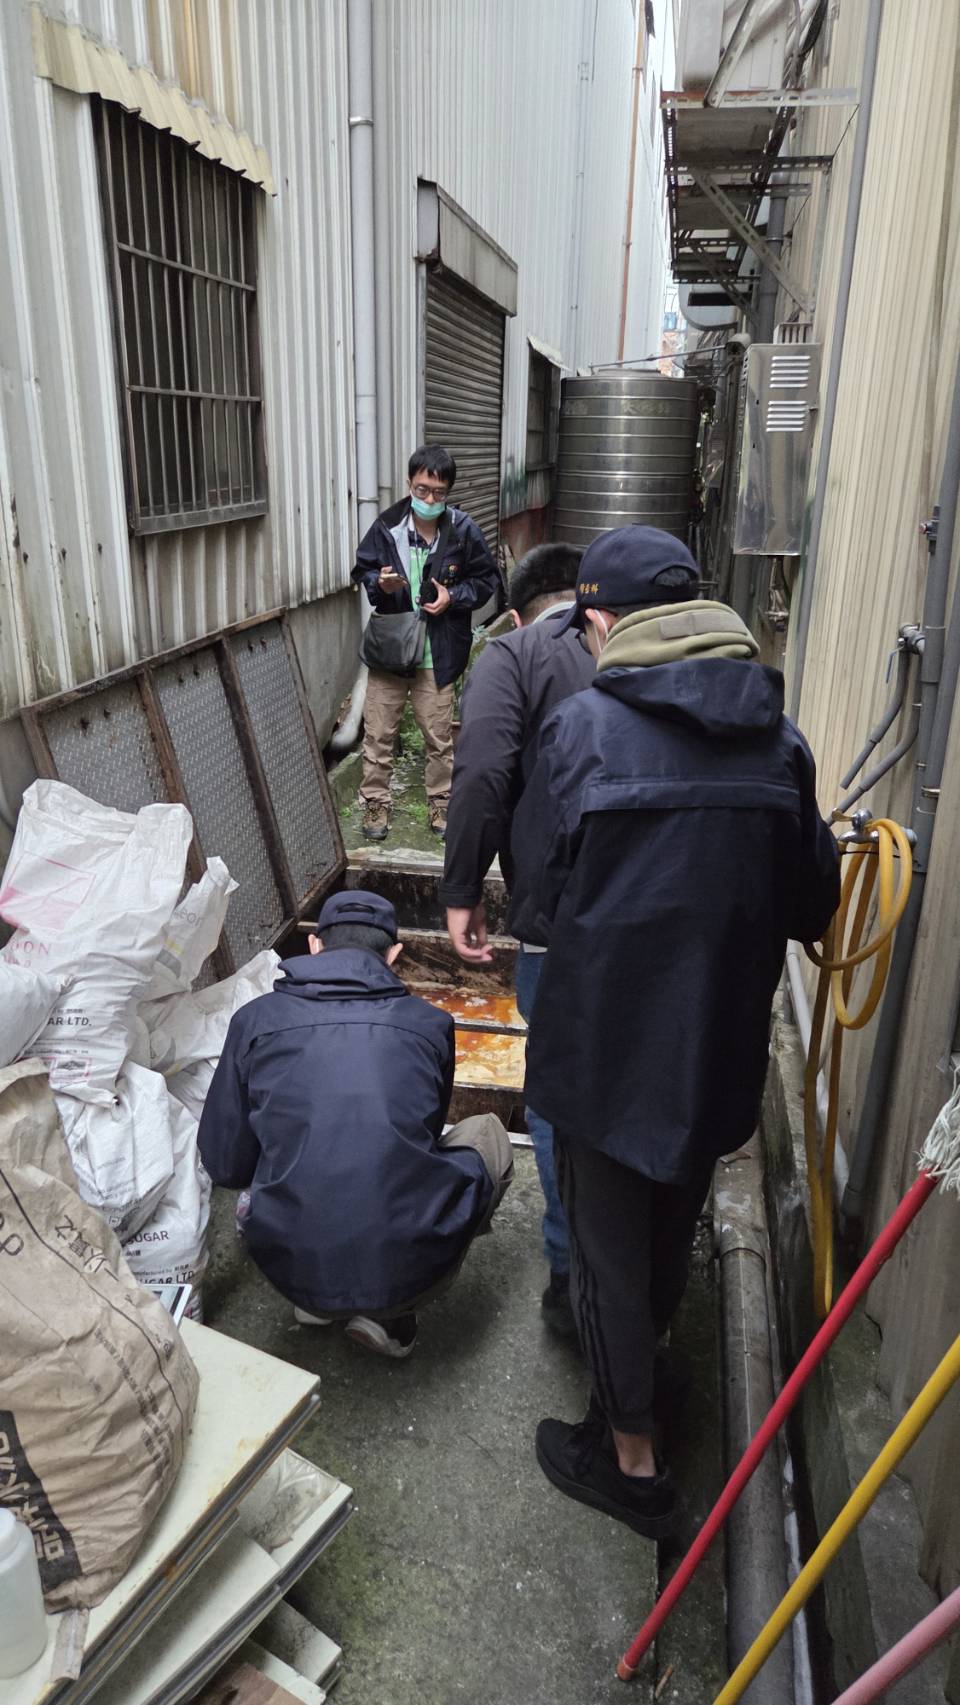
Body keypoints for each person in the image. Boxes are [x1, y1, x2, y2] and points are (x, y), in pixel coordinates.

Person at [509, 525, 840, 1536]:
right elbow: (813, 902)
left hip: (604, 1052)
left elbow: (537, 897)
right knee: (666, 1224)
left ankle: (633, 1463)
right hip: (718, 1047)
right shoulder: (780, 740)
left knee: (605, 1254)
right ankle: (643, 1382)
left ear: (606, 621)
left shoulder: (580, 730)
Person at [198, 890, 513, 1359]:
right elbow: (424, 1135)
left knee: (284, 1142)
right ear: (394, 955)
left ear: (315, 947)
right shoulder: (430, 1024)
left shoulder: (254, 1021)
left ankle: (315, 1297)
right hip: (406, 1269)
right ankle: (391, 1315)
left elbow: (225, 1164)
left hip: (288, 1266)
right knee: (488, 1132)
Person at [439, 542, 594, 1337]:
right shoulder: (661, 653)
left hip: (561, 924)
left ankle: (571, 1275)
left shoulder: (517, 655)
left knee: (559, 1098)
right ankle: (640, 1285)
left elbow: (481, 775)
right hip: (674, 925)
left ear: (516, 609)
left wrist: (462, 890)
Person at [351, 446, 499, 841]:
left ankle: (441, 801)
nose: (429, 499)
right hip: (391, 650)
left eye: (438, 492)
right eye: (422, 489)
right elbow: (363, 570)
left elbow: (487, 581)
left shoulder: (463, 531)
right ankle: (376, 803)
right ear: (409, 483)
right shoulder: (387, 526)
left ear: (448, 492)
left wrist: (454, 597)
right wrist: (380, 584)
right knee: (378, 733)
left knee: (439, 737)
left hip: (439, 651)